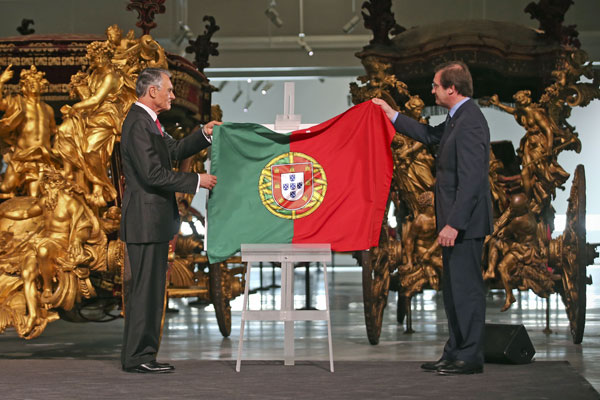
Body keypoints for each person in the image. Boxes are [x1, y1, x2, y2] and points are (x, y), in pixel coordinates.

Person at [373, 61, 492, 375]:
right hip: (454, 222)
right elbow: (428, 135)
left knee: (466, 290)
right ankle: (455, 352)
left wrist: (454, 223)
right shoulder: (457, 118)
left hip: (463, 225)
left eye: (436, 85)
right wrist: (391, 115)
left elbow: (472, 179)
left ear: (452, 89)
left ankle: (469, 356)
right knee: (452, 290)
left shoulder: (470, 121)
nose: (432, 89)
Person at [119, 68, 220, 373]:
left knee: (150, 292)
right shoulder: (138, 123)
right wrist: (196, 180)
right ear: (152, 91)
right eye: (170, 90)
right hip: (145, 221)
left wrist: (204, 134)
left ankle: (143, 356)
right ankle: (138, 358)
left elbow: (174, 150)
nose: (173, 95)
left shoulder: (148, 122)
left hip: (153, 221)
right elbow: (152, 175)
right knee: (145, 293)